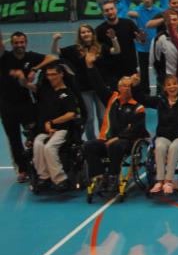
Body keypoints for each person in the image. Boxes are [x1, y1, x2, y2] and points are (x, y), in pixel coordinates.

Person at [2, 31, 54, 182]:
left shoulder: (31, 57)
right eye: (16, 43)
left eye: (22, 42)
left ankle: (37, 165)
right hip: (7, 105)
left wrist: (35, 69)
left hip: (26, 103)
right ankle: (22, 170)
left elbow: (52, 58)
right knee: (14, 139)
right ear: (11, 44)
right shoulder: (5, 57)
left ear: (26, 43)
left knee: (34, 134)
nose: (19, 45)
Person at [83, 70, 148, 186]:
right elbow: (98, 85)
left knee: (116, 145)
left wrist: (117, 138)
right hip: (106, 139)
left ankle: (113, 175)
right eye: (124, 86)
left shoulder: (138, 106)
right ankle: (99, 175)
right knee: (89, 145)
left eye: (129, 86)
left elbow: (136, 129)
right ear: (119, 88)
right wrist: (90, 67)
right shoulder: (112, 99)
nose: (127, 88)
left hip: (126, 142)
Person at [30, 64, 81, 192]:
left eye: (53, 74)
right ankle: (44, 177)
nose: (51, 77)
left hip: (63, 129)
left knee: (49, 147)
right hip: (46, 130)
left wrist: (52, 123)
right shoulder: (47, 93)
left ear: (61, 74)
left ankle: (60, 179)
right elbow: (30, 87)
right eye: (48, 75)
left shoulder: (68, 93)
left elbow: (71, 114)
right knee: (37, 144)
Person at [142, 74, 178, 195]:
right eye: (169, 85)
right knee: (160, 146)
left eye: (174, 84)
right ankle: (159, 181)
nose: (172, 87)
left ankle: (168, 181)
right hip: (164, 136)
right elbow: (142, 98)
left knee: (174, 146)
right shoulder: (160, 101)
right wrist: (135, 86)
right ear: (165, 88)